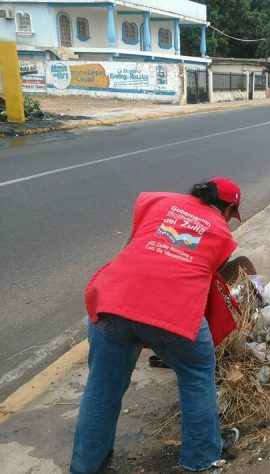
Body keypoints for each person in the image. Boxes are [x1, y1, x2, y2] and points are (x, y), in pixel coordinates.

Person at [70, 177, 244, 473]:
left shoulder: (158, 202)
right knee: (196, 374)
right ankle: (201, 461)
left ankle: (86, 467)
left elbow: (132, 248)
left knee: (102, 387)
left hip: (113, 299)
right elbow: (202, 285)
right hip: (171, 311)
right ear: (227, 210)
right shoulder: (222, 234)